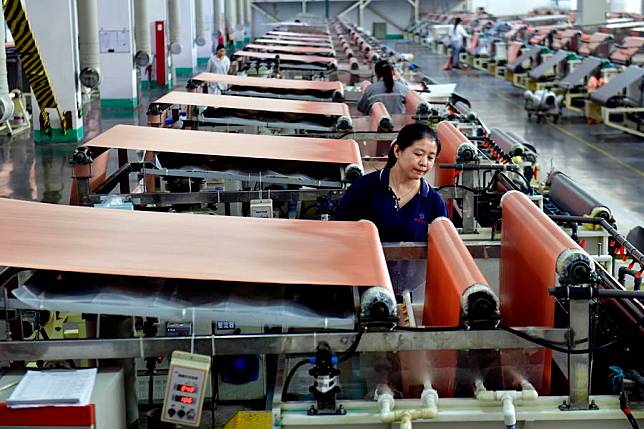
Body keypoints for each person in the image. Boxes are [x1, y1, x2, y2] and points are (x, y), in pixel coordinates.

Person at [334, 123, 448, 243]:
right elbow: (339, 232)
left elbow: (442, 246)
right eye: (418, 154)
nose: (424, 163)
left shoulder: (433, 201)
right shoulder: (364, 187)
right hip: (363, 261)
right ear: (397, 151)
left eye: (430, 158)